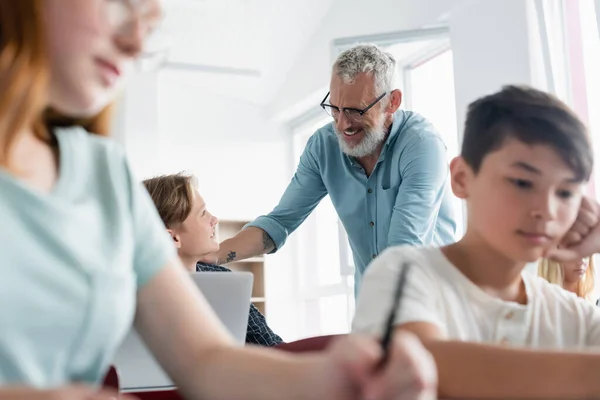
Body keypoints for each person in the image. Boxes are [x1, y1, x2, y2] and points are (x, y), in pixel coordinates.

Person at [0, 1, 439, 399]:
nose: (135, 42)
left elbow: (206, 360)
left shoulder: (105, 175)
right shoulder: (322, 149)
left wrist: (332, 378)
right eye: (120, 5)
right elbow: (277, 223)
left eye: (149, 21)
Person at [352, 85, 600, 399]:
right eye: (522, 183)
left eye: (565, 192)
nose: (546, 211)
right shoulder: (402, 272)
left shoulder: (575, 317)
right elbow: (424, 370)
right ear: (461, 179)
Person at [203, 43, 457, 295]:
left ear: (392, 102)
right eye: (335, 108)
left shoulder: (422, 145)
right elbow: (279, 222)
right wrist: (213, 256)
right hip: (375, 309)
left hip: (435, 306)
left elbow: (404, 250)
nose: (343, 124)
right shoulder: (323, 146)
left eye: (356, 111)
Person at [143, 173, 284, 347]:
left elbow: (271, 345)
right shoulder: (135, 293)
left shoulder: (224, 280)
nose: (214, 220)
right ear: (172, 239)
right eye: (202, 213)